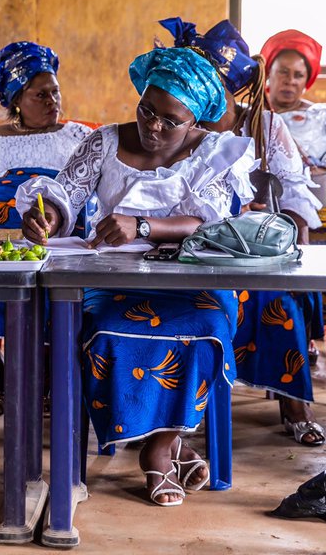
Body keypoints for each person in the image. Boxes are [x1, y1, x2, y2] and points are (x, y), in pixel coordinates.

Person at [19, 47, 254, 507]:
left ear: (196, 122)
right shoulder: (105, 141)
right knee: (109, 331)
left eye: (171, 120)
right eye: (147, 109)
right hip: (113, 278)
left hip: (192, 282)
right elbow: (65, 194)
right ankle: (164, 441)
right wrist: (46, 217)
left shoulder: (212, 151)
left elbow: (210, 223)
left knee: (203, 329)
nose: (154, 126)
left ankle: (159, 450)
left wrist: (142, 225)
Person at [161, 18, 326, 446]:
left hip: (254, 251)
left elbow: (296, 194)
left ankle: (293, 402)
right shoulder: (174, 121)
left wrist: (292, 237)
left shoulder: (263, 127)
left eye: (206, 75)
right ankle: (169, 411)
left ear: (229, 83)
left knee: (275, 300)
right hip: (186, 247)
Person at [0, 41, 92, 417]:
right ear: (17, 99)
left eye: (55, 91)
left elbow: (87, 191)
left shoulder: (76, 136)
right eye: (41, 94)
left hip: (61, 236)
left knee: (62, 281)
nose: (53, 100)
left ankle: (54, 376)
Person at [261, 29, 326, 331]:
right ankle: (273, 324)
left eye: (299, 75)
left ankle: (312, 327)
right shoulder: (253, 114)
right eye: (283, 72)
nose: (290, 81)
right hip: (265, 199)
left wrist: (321, 174)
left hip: (318, 196)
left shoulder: (323, 114)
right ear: (268, 76)